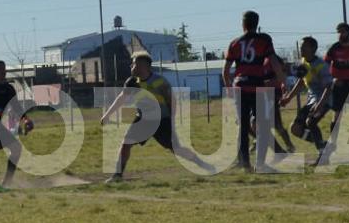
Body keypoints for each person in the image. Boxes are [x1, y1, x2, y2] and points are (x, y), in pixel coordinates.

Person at [101, 53, 215, 182]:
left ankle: (204, 165)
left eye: (133, 63)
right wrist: (107, 115)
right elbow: (121, 98)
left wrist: (172, 121)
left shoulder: (159, 81)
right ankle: (117, 175)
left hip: (162, 120)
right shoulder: (131, 81)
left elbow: (171, 101)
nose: (131, 66)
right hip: (143, 119)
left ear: (142, 66)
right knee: (126, 144)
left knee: (177, 149)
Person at [222, 11, 285, 171]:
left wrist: (229, 88)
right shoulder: (264, 40)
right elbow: (274, 62)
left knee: (243, 127)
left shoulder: (234, 43)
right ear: (257, 24)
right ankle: (261, 163)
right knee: (262, 126)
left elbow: (226, 70)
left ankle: (245, 164)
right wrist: (282, 81)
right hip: (257, 87)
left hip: (240, 87)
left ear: (242, 24)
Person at [0, 60, 33, 189]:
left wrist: (26, 119)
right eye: (0, 69)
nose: (3, 71)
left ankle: (7, 182)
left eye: (4, 69)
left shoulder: (8, 89)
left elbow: (16, 107)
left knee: (16, 149)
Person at [280, 36, 331, 152]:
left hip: (325, 100)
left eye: (304, 47)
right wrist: (288, 98)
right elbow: (301, 82)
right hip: (312, 100)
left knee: (311, 122)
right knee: (295, 129)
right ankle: (323, 145)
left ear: (313, 49)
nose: (301, 49)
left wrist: (319, 105)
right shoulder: (303, 62)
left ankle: (322, 153)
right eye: (301, 47)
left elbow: (328, 88)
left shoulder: (321, 65)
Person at [322, 23, 349, 155]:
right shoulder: (334, 48)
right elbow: (324, 67)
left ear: (348, 32)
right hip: (339, 86)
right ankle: (333, 144)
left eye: (341, 32)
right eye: (338, 32)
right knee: (337, 115)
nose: (339, 35)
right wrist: (333, 80)